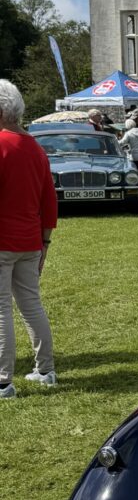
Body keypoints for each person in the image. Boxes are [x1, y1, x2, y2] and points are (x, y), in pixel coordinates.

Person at [0, 80, 58, 398]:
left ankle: (3, 381)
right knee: (31, 305)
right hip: (30, 242)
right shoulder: (35, 147)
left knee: (1, 310)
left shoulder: (2, 144)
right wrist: (45, 243)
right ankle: (45, 370)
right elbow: (49, 201)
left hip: (4, 240)